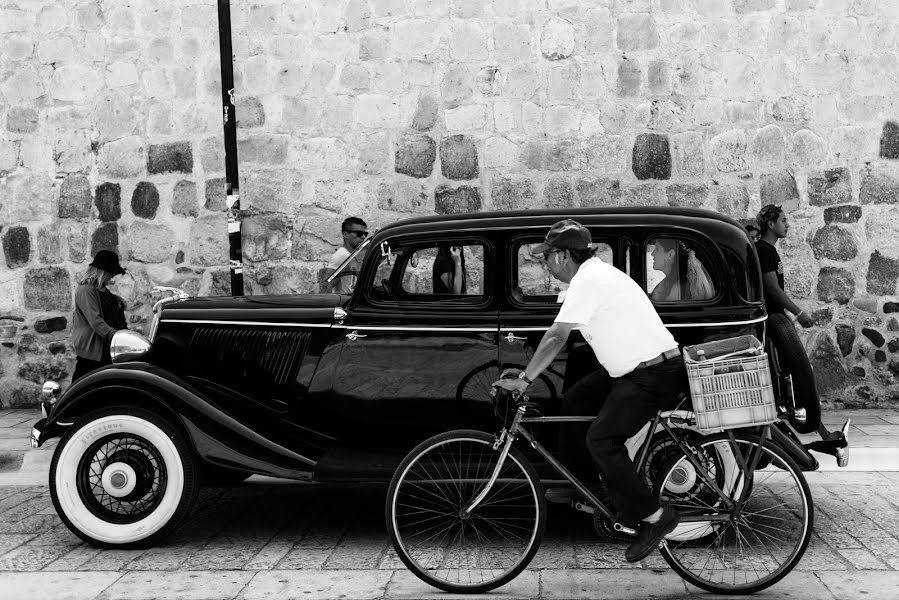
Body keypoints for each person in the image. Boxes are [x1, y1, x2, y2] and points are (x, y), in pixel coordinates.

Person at [494, 219, 686, 563]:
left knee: (602, 439)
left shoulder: (590, 280)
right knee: (575, 400)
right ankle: (585, 484)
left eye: (547, 256)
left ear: (564, 256)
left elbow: (557, 335)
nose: (544, 263)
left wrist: (525, 380)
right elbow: (559, 331)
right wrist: (527, 369)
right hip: (632, 369)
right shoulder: (591, 277)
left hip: (653, 374)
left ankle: (657, 517)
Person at [755, 204, 825, 435]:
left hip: (777, 315)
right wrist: (799, 312)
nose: (788, 225)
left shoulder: (769, 250)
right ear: (771, 224)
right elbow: (773, 290)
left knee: (789, 368)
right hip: (773, 316)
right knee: (794, 367)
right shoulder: (764, 250)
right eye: (783, 220)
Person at [71, 250, 128, 382]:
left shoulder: (100, 288)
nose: (113, 276)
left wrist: (116, 300)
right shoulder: (86, 289)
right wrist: (116, 337)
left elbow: (104, 304)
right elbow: (95, 321)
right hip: (93, 353)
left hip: (106, 348)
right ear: (103, 272)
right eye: (111, 272)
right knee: (83, 389)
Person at [649, 238, 715, 302]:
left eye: (657, 249)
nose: (652, 254)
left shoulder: (676, 289)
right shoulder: (668, 282)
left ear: (670, 254)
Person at [326, 217, 368, 294]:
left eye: (365, 234)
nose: (363, 237)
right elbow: (327, 286)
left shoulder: (352, 255)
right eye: (359, 234)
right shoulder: (341, 256)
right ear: (345, 234)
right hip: (343, 303)